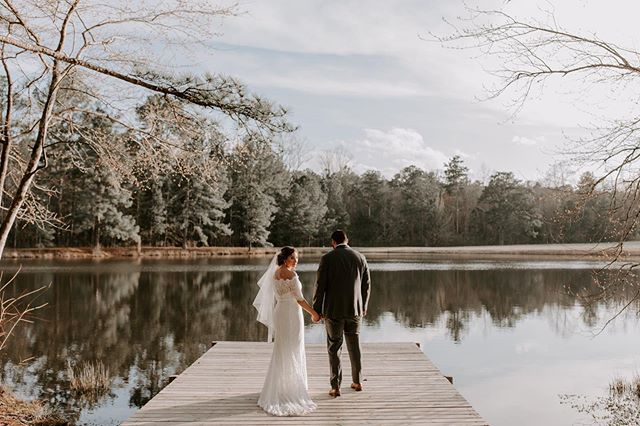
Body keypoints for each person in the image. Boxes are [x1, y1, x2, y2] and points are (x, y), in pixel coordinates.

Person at [253, 246, 321, 416]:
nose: (296, 261)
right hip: (291, 314)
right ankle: (293, 388)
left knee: (282, 348)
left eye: (296, 258)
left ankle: (280, 387)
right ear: (285, 259)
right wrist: (314, 314)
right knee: (293, 347)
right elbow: (300, 299)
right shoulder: (292, 276)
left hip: (280, 312)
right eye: (292, 258)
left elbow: (278, 296)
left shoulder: (275, 274)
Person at [313, 230, 371, 397]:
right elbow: (366, 285)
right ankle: (357, 382)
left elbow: (320, 286)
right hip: (355, 310)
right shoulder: (360, 257)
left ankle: (335, 386)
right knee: (355, 345)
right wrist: (364, 305)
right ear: (347, 240)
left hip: (333, 310)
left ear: (333, 242)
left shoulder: (327, 258)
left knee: (334, 347)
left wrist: (317, 310)